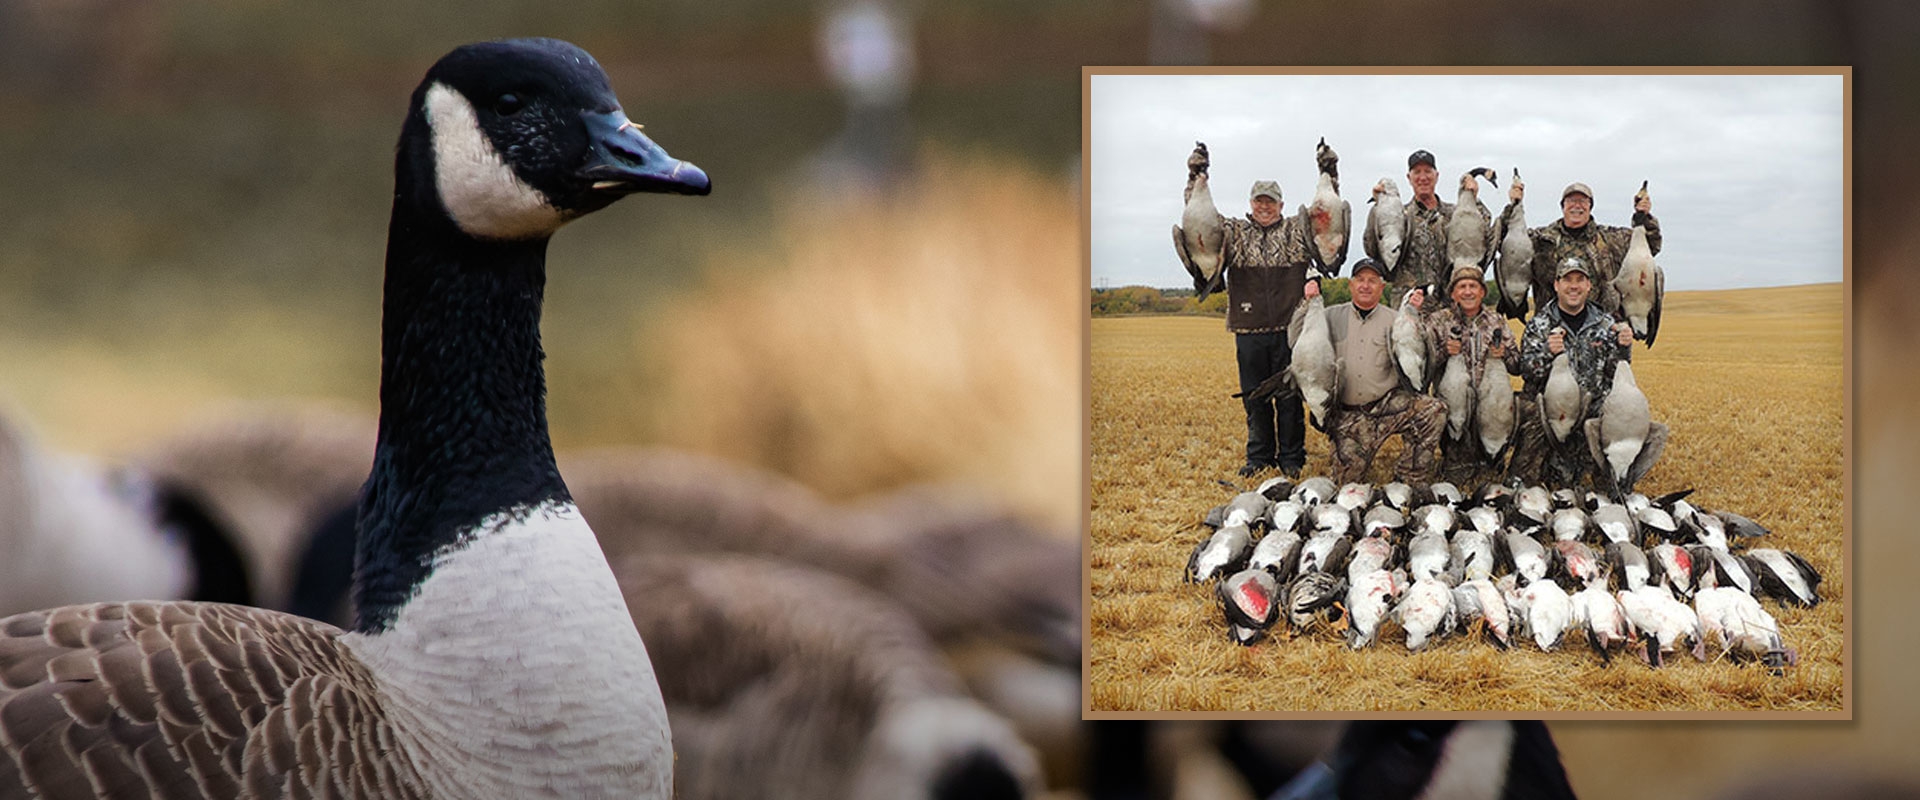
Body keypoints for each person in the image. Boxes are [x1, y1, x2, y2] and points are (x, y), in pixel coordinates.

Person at [1185, 142, 1339, 478]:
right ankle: (1258, 458)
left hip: (1290, 331)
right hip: (1249, 329)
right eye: (1259, 201)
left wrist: (1329, 171)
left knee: (1289, 396)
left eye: (1270, 202)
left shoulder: (1297, 231)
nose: (1265, 207)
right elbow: (1198, 219)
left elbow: (1329, 215)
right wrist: (1196, 175)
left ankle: (1292, 458)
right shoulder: (1234, 233)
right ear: (1251, 204)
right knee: (1254, 397)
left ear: (1281, 205)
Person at [1297, 258, 1444, 486]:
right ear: (1351, 285)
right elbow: (1294, 338)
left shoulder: (1395, 320)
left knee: (1433, 410)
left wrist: (1415, 314)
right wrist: (1307, 302)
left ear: (1381, 287)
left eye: (1372, 281)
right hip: (1348, 414)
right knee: (1346, 484)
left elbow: (1421, 352)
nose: (1365, 286)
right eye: (1360, 280)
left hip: (1386, 406)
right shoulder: (1329, 316)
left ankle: (1410, 476)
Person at [1506, 255, 1636, 489]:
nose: (1573, 286)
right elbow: (1526, 370)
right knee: (1536, 482)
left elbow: (1615, 374)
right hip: (1553, 412)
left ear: (1588, 286)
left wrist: (1624, 348)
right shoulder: (1539, 324)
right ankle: (1524, 476)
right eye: (1567, 280)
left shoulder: (1606, 324)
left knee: (1619, 411)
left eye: (1579, 280)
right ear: (1557, 285)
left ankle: (1614, 480)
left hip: (1591, 408)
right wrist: (1547, 351)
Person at [1419, 265, 1521, 486]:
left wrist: (1503, 354)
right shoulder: (1438, 321)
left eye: (1473, 286)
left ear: (1482, 291)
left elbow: (1517, 365)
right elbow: (1422, 364)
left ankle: (1491, 456)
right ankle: (1454, 454)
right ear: (1453, 293)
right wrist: (1444, 352)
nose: (1468, 292)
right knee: (1458, 478)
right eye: (1462, 286)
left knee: (1490, 476)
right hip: (1455, 408)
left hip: (1489, 407)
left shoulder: (1497, 321)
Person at [1505, 177, 1660, 319]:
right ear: (1563, 206)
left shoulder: (1612, 238)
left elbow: (1650, 247)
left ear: (1590, 206)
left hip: (1601, 328)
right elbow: (1507, 248)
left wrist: (1643, 217)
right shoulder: (1540, 238)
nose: (1577, 205)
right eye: (1571, 200)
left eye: (1583, 201)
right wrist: (1514, 205)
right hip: (1551, 329)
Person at [1362, 149, 1494, 313]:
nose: (1423, 177)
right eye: (1417, 172)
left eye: (1427, 171)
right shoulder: (1398, 217)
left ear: (1436, 175)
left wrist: (1473, 198)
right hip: (1411, 309)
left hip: (1451, 311)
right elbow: (1372, 250)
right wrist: (1379, 207)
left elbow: (1485, 234)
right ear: (1409, 178)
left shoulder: (1455, 214)